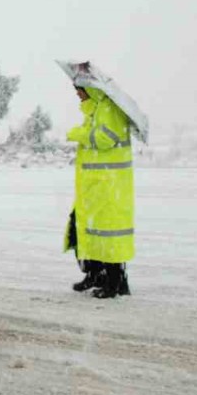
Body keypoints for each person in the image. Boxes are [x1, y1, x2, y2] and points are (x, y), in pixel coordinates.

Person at [64, 85, 135, 298]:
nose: (77, 93)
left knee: (107, 234)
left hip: (108, 186)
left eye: (80, 89)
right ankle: (95, 275)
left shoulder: (109, 108)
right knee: (85, 230)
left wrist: (78, 133)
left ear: (91, 89)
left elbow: (105, 138)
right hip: (94, 186)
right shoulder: (95, 109)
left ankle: (115, 283)